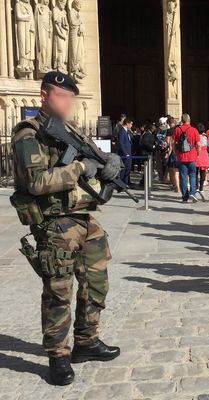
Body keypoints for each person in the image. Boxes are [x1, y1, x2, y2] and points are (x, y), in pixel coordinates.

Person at [10, 71, 120, 386]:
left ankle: (86, 341)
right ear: (44, 95)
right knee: (59, 291)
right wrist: (79, 168)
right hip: (54, 223)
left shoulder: (69, 130)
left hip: (84, 219)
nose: (67, 102)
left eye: (71, 96)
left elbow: (94, 158)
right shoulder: (28, 134)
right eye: (61, 95)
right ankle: (58, 355)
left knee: (96, 282)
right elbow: (36, 182)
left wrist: (107, 161)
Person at [172, 114, 201, 203]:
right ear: (189, 120)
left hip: (181, 157)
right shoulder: (194, 130)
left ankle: (185, 196)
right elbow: (198, 144)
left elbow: (173, 143)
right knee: (193, 175)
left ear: (181, 120)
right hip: (192, 156)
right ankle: (193, 193)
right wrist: (198, 154)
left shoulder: (177, 129)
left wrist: (175, 153)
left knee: (183, 176)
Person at [196, 123, 209, 201]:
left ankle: (195, 186)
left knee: (194, 172)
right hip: (204, 154)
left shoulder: (196, 136)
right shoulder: (206, 137)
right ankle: (201, 187)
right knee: (203, 172)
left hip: (197, 154)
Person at [165, 117, 181, 193]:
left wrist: (168, 152)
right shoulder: (181, 131)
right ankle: (183, 185)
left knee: (174, 170)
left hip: (173, 153)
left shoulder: (169, 131)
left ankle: (176, 186)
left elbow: (168, 142)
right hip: (182, 153)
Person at [117, 118, 133, 185]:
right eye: (131, 124)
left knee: (128, 169)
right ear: (127, 124)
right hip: (125, 154)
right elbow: (121, 143)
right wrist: (125, 153)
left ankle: (126, 183)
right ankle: (122, 183)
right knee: (124, 169)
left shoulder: (127, 131)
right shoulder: (122, 131)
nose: (131, 126)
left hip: (128, 153)